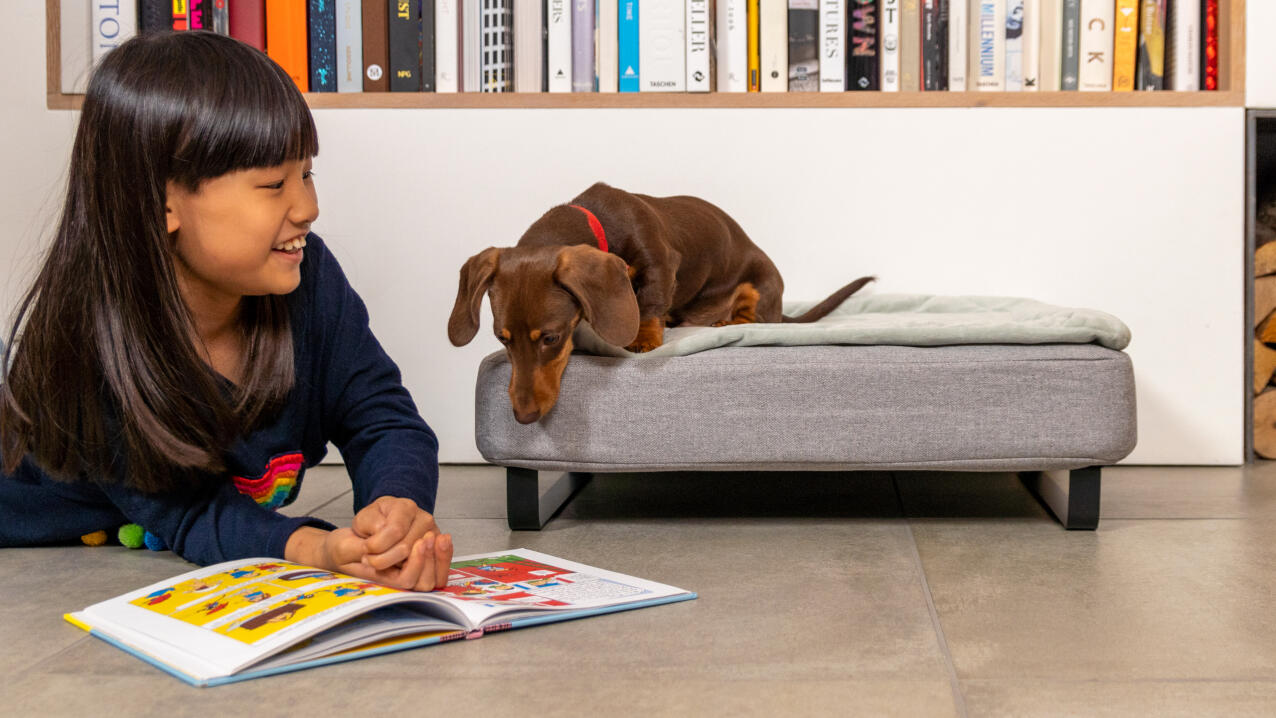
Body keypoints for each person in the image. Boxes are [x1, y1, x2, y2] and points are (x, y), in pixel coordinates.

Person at [0, 31, 452, 591]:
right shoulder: (93, 341)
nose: (309, 207)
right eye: (273, 184)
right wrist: (315, 547)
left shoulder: (305, 276)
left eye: (307, 174)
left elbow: (381, 415)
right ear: (163, 202)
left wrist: (395, 509)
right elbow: (190, 511)